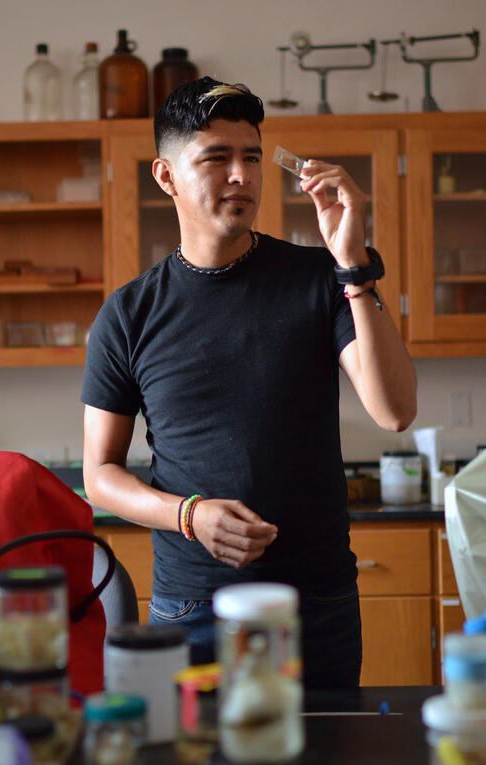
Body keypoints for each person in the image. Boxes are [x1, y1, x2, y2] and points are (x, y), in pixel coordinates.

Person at [81, 77, 417, 688]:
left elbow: (394, 411)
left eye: (252, 157)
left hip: (315, 600)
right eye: (216, 158)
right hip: (193, 607)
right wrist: (189, 515)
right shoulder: (128, 314)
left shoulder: (322, 279)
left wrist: (353, 266)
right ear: (166, 176)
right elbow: (99, 476)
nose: (242, 175)